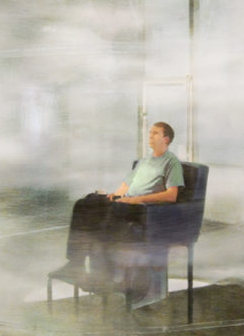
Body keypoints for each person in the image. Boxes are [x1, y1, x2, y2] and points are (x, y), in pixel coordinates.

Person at [49, 122, 184, 288]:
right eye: (150, 132)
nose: (150, 136)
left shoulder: (172, 162)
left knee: (108, 213)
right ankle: (75, 263)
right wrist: (115, 195)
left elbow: (171, 195)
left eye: (155, 133)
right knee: (85, 203)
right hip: (127, 201)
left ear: (166, 139)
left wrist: (136, 199)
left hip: (143, 208)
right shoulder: (144, 162)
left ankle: (104, 274)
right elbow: (126, 185)